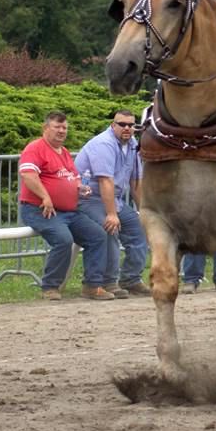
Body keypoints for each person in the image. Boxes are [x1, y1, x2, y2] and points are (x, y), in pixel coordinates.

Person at [18, 111, 111, 300]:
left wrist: (80, 187)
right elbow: (28, 175)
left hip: (69, 211)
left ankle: (92, 286)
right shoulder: (35, 148)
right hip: (40, 209)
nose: (62, 131)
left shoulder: (64, 151)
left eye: (64, 127)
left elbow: (72, 177)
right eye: (57, 127)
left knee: (98, 235)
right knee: (63, 240)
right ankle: (50, 287)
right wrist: (46, 197)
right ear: (45, 128)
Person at [75, 111, 151, 298]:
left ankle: (131, 279)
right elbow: (105, 182)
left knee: (139, 229)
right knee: (110, 228)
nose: (127, 128)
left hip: (113, 199)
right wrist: (111, 214)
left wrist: (145, 212)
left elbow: (135, 182)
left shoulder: (133, 145)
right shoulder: (104, 144)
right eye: (122, 124)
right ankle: (107, 282)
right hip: (89, 199)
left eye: (131, 125)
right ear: (112, 125)